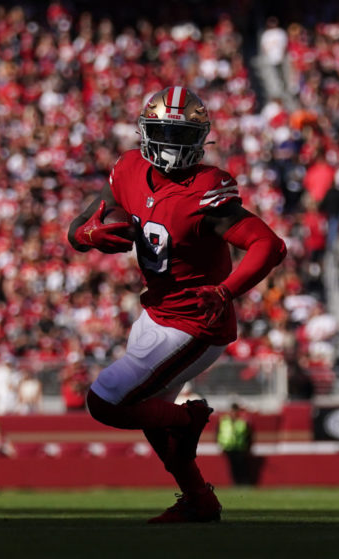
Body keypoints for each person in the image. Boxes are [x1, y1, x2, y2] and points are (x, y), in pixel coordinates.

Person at [68, 86, 287, 523]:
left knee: (105, 401)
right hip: (156, 312)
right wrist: (83, 235)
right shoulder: (129, 168)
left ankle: (188, 420)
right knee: (148, 413)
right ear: (145, 133)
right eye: (164, 133)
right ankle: (198, 500)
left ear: (201, 139)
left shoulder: (207, 189)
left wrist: (225, 291)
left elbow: (268, 244)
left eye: (182, 135)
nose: (172, 145)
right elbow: (89, 215)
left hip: (195, 322)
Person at [216, 402, 256, 486]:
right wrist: (220, 445)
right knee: (233, 466)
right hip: (228, 447)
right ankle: (236, 483)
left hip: (240, 447)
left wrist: (249, 447)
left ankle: (244, 482)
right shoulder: (223, 420)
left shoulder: (243, 421)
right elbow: (218, 433)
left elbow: (249, 435)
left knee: (242, 466)